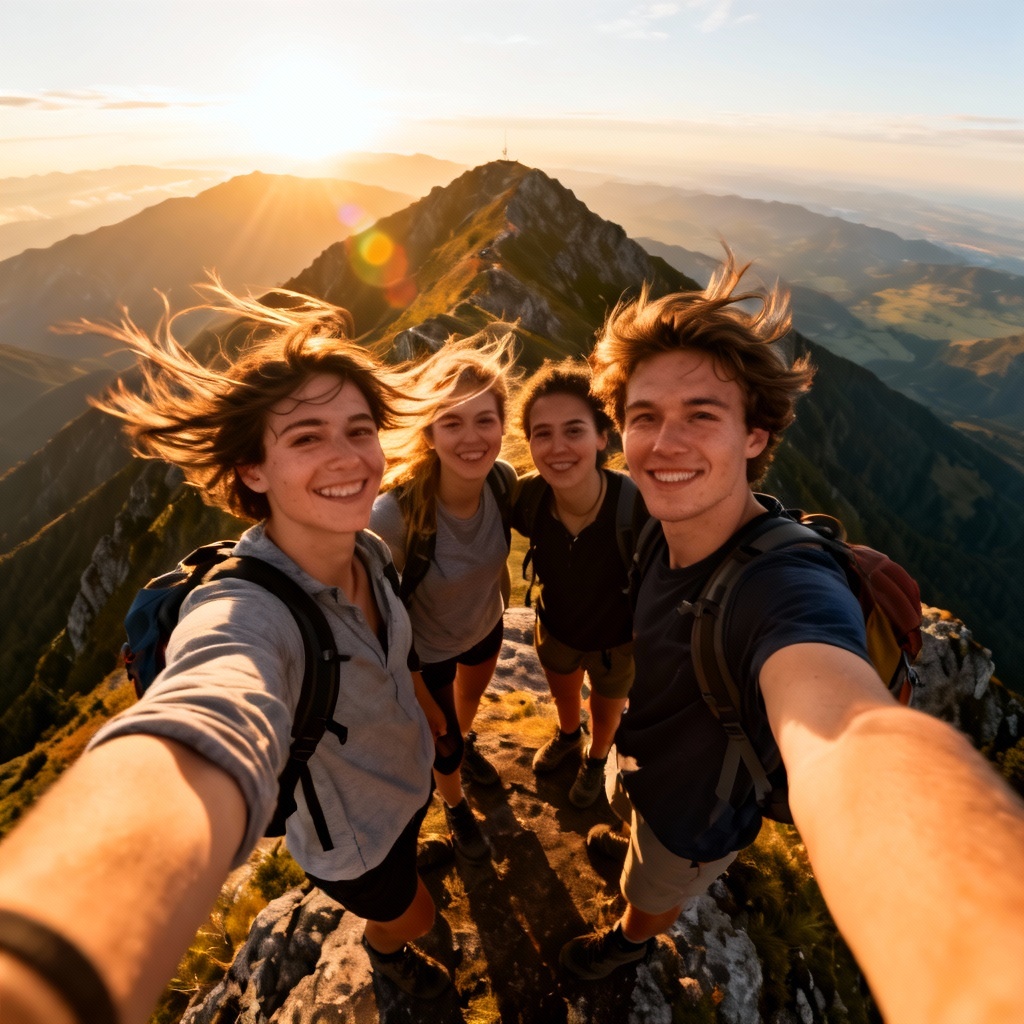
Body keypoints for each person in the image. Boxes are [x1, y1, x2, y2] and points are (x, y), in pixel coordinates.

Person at [558, 252, 1024, 1024]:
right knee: (638, 833)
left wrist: (981, 944)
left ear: (755, 436)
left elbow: (846, 729)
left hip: (697, 818)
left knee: (657, 883)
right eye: (644, 417)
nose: (665, 443)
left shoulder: (782, 588)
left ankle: (631, 938)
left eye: (702, 415)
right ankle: (636, 862)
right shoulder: (659, 523)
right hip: (650, 763)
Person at [0, 284, 453, 1024]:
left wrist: (435, 726)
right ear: (252, 470)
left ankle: (400, 896)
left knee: (412, 879)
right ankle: (388, 946)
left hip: (406, 789)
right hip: (354, 842)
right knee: (416, 917)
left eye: (359, 429)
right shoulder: (249, 609)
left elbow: (394, 665)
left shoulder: (367, 550)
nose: (347, 458)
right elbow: (211, 703)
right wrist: (46, 950)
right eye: (306, 437)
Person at [370, 327, 518, 863]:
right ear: (429, 432)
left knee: (468, 710)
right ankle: (454, 805)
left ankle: (465, 745)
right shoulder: (394, 518)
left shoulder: (502, 483)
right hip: (424, 655)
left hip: (485, 627)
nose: (471, 437)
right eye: (451, 422)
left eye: (485, 420)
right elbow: (380, 618)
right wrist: (417, 689)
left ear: (503, 427)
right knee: (444, 744)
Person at [512, 358, 647, 807]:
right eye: (541, 433)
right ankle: (568, 736)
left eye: (574, 430)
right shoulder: (528, 498)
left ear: (602, 437)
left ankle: (595, 758)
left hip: (616, 641)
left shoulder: (637, 507)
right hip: (556, 629)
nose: (556, 447)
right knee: (564, 695)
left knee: (606, 711)